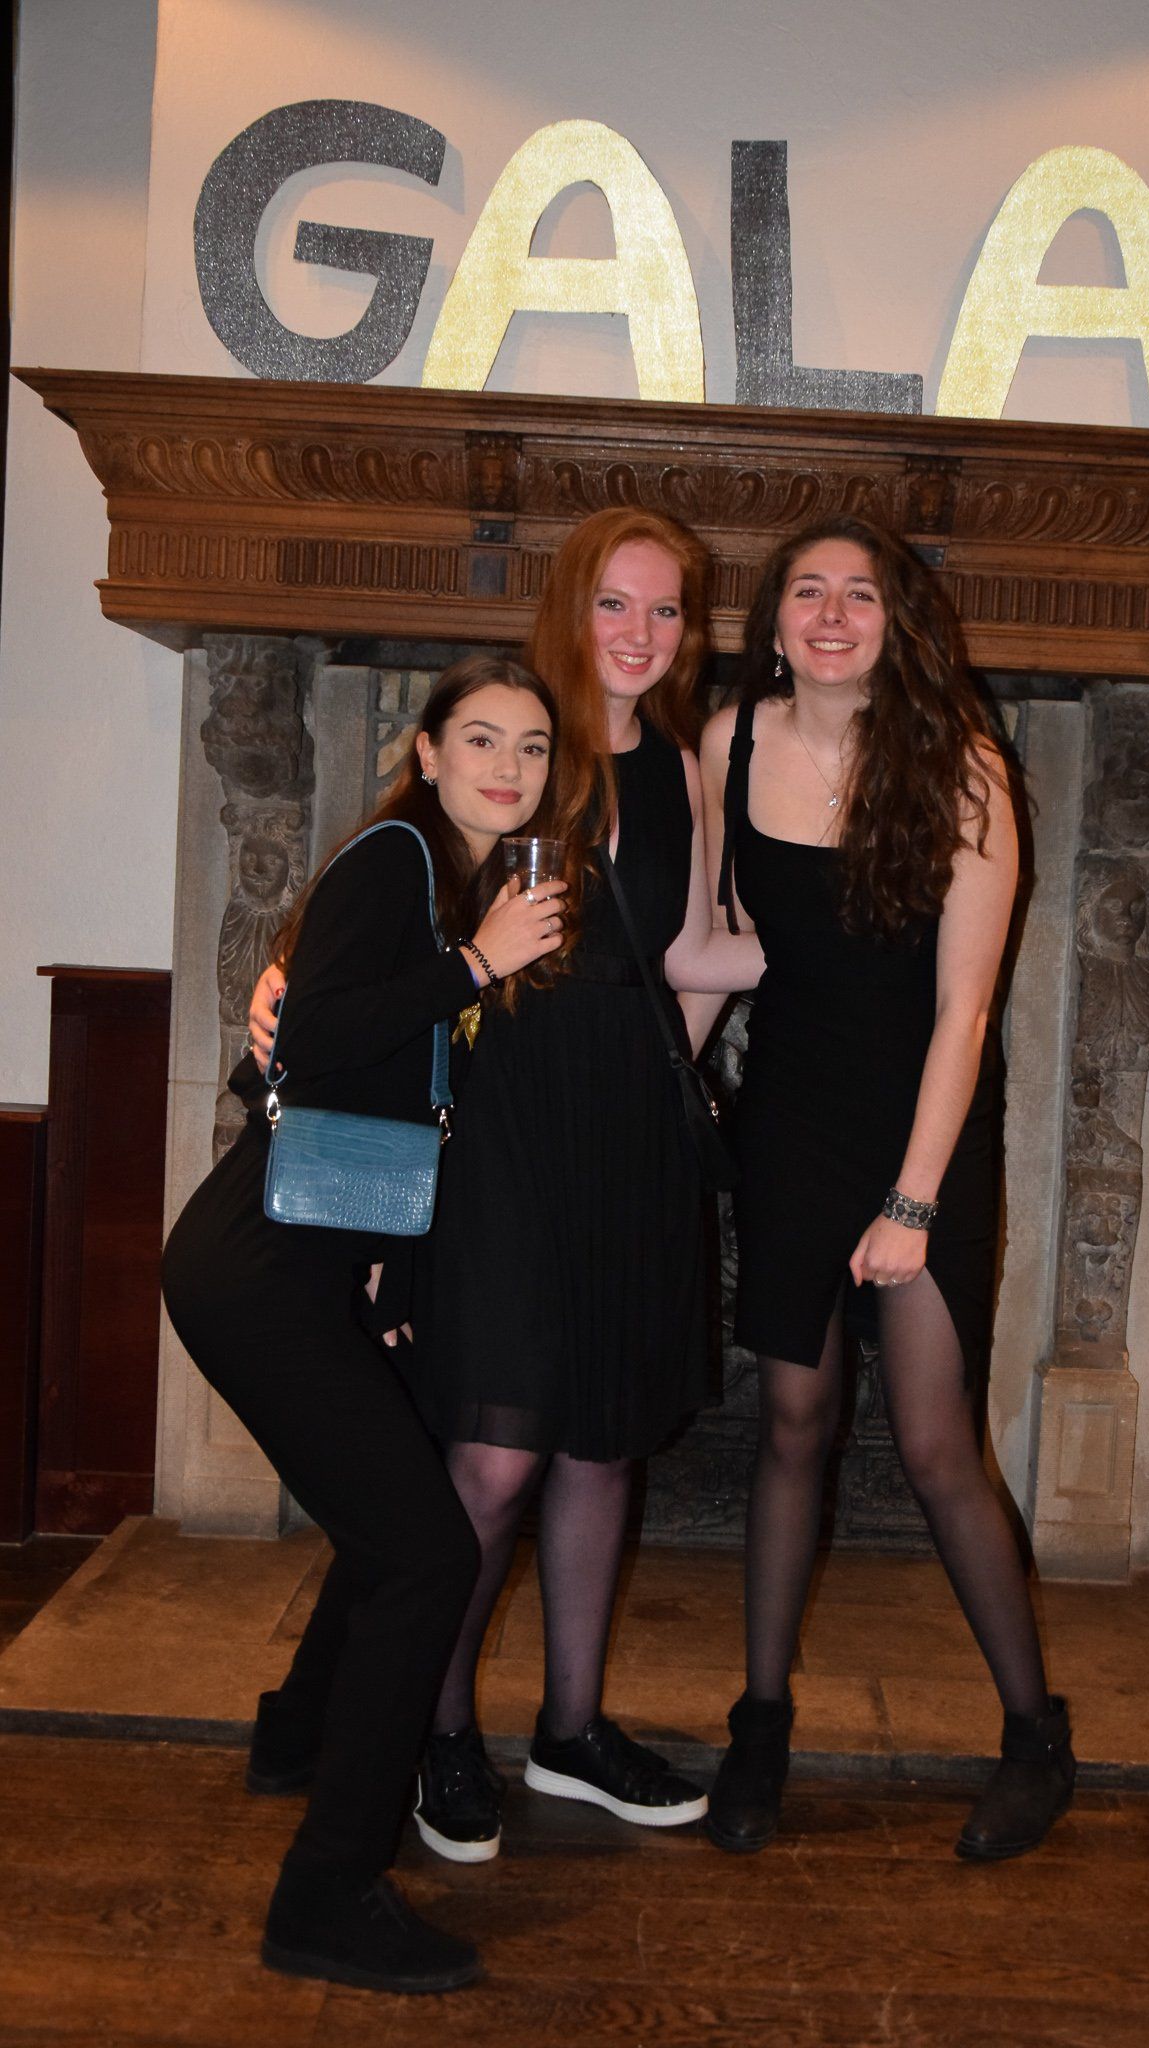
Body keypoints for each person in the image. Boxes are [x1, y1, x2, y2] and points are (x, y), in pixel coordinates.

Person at [249, 509, 763, 1864]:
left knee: (603, 1441)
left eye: (666, 609)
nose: (640, 634)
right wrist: (283, 967)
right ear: (570, 607)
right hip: (498, 1126)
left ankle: (573, 1732)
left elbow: (685, 955)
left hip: (629, 1134)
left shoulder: (686, 763)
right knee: (490, 1455)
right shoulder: (518, 737)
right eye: (615, 603)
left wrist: (819, 961)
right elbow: (400, 876)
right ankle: (437, 1736)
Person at [163, 655, 567, 1994]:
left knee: (393, 1520)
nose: (509, 767)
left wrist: (381, 1279)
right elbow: (317, 1039)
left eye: (533, 747)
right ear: (428, 751)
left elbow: (318, 1071)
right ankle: (325, 1900)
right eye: (482, 739)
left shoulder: (440, 883)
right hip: (255, 1273)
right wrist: (477, 965)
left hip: (305, 1268)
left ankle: (296, 1735)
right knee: (427, 1556)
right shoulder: (398, 862)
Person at [697, 515, 1075, 1862]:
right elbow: (717, 940)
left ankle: (1034, 1736)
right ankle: (759, 1727)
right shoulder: (727, 745)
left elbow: (966, 1009)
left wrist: (911, 1203)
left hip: (929, 1130)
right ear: (774, 620)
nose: (830, 613)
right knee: (791, 1426)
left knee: (930, 1444)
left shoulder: (963, 767)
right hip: (790, 1119)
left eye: (859, 593)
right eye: (806, 590)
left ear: (897, 620)